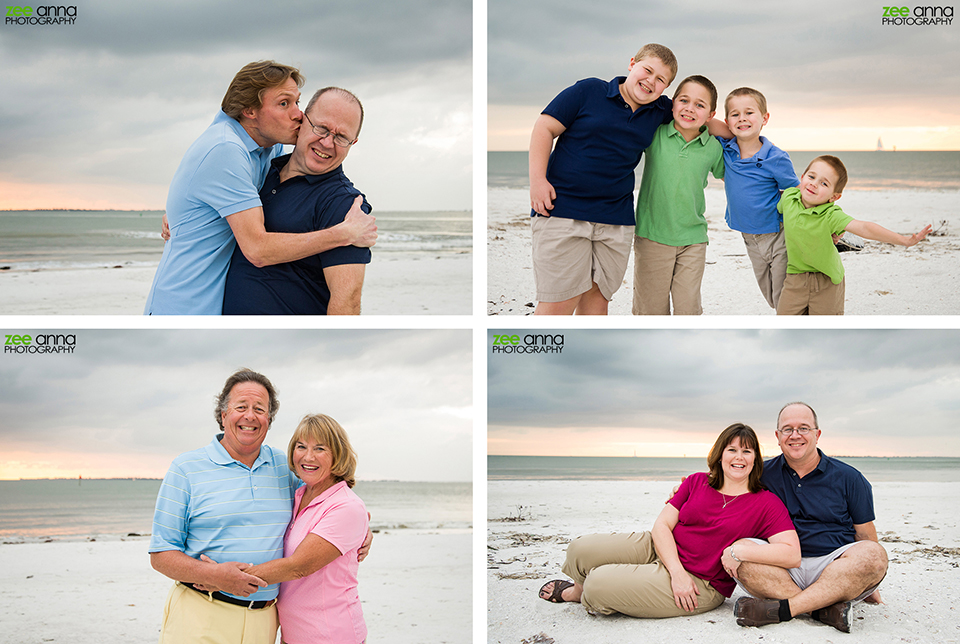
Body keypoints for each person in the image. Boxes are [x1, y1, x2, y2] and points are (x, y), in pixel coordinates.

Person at [148, 370, 371, 644]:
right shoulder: (185, 469)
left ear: (269, 420)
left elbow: (329, 500)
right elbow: (160, 554)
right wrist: (214, 575)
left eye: (259, 409)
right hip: (200, 614)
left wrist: (363, 531)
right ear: (223, 415)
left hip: (264, 622)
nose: (250, 416)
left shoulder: (284, 468)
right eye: (240, 407)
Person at [144, 61, 377, 315]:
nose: (297, 114)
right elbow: (257, 249)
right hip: (182, 308)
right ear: (249, 110)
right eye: (284, 103)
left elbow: (348, 302)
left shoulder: (273, 154)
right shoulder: (228, 150)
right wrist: (343, 234)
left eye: (297, 103)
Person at [538, 424, 799, 618]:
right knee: (579, 549)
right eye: (732, 449)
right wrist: (675, 572)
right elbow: (661, 526)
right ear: (720, 454)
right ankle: (576, 590)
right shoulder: (696, 481)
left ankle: (586, 591)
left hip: (700, 582)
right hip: (659, 547)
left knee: (598, 585)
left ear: (756, 459)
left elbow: (792, 554)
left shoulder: (765, 502)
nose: (738, 457)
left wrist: (741, 551)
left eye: (747, 451)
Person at [528, 44, 678, 315]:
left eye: (661, 80)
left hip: (615, 219)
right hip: (563, 211)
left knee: (597, 303)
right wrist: (537, 181)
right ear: (632, 63)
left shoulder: (659, 110)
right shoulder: (589, 91)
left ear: (665, 88)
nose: (650, 82)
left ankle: (582, 358)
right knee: (558, 303)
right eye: (647, 70)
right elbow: (545, 127)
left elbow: (696, 118)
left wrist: (741, 135)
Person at [732, 402, 890, 633]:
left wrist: (868, 580)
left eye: (804, 428)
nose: (795, 435)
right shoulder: (760, 474)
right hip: (781, 566)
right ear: (777, 436)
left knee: (874, 556)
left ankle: (786, 608)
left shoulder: (850, 477)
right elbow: (721, 486)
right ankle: (823, 610)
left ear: (817, 434)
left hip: (834, 566)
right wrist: (684, 488)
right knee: (741, 555)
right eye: (787, 429)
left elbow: (865, 533)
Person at [222, 87, 370, 315]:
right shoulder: (261, 169)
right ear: (302, 120)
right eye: (321, 128)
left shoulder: (345, 205)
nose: (327, 143)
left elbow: (347, 301)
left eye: (341, 137)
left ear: (353, 143)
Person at [232, 414, 369, 644]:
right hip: (292, 633)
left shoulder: (347, 506)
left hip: (331, 635)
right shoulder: (299, 494)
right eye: (301, 446)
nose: (308, 456)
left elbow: (299, 566)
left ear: (338, 454)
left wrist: (225, 579)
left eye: (319, 449)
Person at [775, 156, 932, 315]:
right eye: (811, 176)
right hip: (795, 277)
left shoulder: (831, 215)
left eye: (824, 183)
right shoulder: (788, 198)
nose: (814, 184)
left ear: (834, 197)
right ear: (802, 177)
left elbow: (865, 228)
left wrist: (904, 240)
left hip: (827, 282)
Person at [632, 75, 724, 315]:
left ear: (711, 115)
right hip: (652, 236)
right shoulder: (655, 134)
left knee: (688, 310)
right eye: (684, 100)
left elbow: (737, 180)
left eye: (700, 105)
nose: (689, 109)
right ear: (672, 103)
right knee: (650, 312)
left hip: (693, 238)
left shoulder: (713, 147)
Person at [716, 87, 799, 310]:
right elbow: (707, 123)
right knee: (771, 297)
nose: (742, 118)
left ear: (765, 118)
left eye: (749, 113)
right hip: (748, 237)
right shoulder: (727, 149)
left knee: (783, 298)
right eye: (735, 114)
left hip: (777, 235)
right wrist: (728, 130)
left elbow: (796, 194)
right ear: (727, 121)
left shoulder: (776, 158)